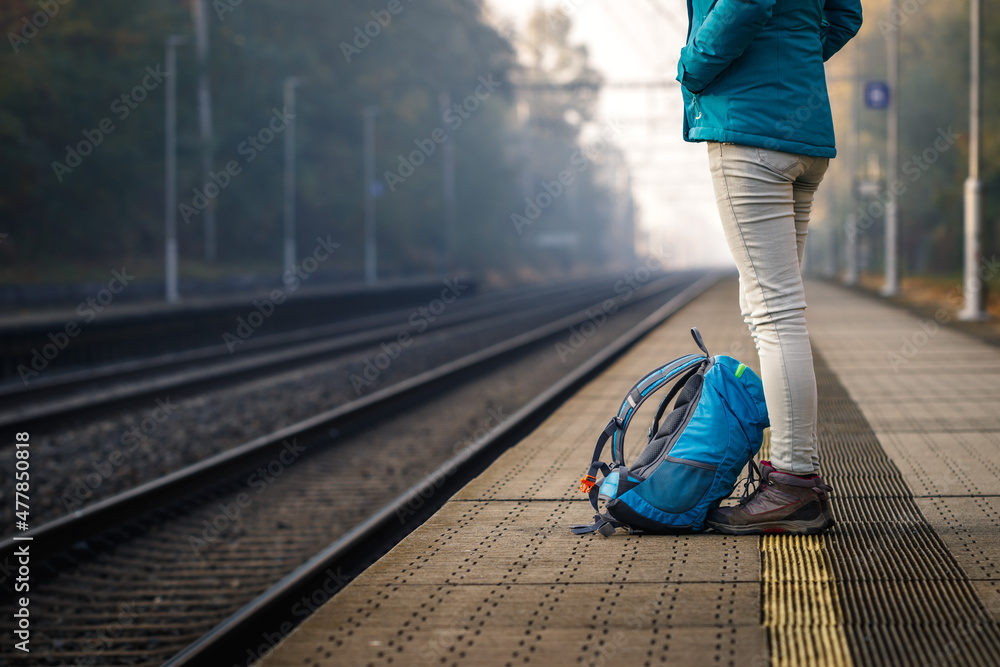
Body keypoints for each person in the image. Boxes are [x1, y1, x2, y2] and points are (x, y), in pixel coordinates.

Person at [677, 0, 863, 534]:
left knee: (774, 315)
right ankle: (793, 480)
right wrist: (792, 60)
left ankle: (792, 484)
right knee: (782, 311)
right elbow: (845, 14)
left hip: (749, 131)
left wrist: (694, 67)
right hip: (803, 135)